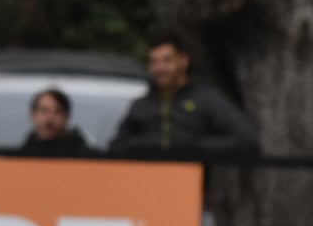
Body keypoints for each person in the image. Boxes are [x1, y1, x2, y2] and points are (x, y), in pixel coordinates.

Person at [108, 33, 259, 160]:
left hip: (191, 186)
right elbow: (116, 148)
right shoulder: (141, 105)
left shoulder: (205, 99)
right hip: (143, 185)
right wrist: (147, 147)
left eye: (167, 61)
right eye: (154, 62)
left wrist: (194, 148)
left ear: (183, 61)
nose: (160, 68)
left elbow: (246, 140)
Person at [20, 88, 96, 156]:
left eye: (57, 112)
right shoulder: (19, 158)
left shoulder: (86, 158)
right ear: (32, 115)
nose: (50, 118)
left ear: (66, 117)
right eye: (44, 111)